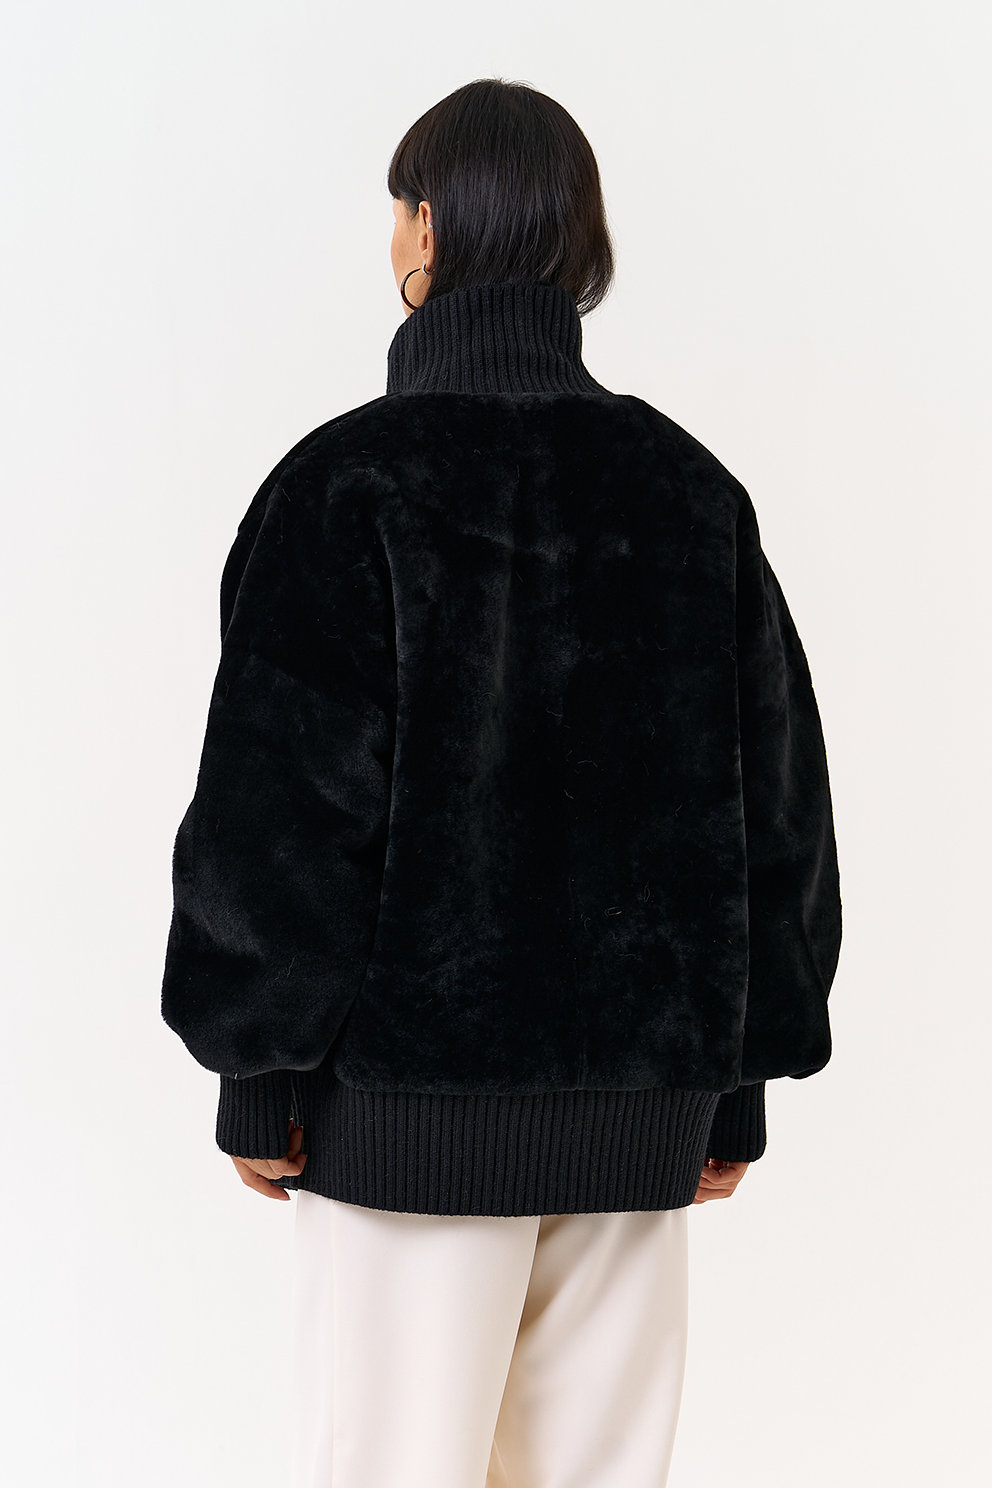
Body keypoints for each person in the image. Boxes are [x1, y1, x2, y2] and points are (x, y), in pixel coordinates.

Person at [161, 77, 841, 1488]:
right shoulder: (690, 493)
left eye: (395, 213)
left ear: (426, 229)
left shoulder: (345, 485)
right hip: (640, 1123)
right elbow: (773, 814)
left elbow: (279, 824)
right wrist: (733, 1087)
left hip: (404, 1130)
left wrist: (259, 1074)